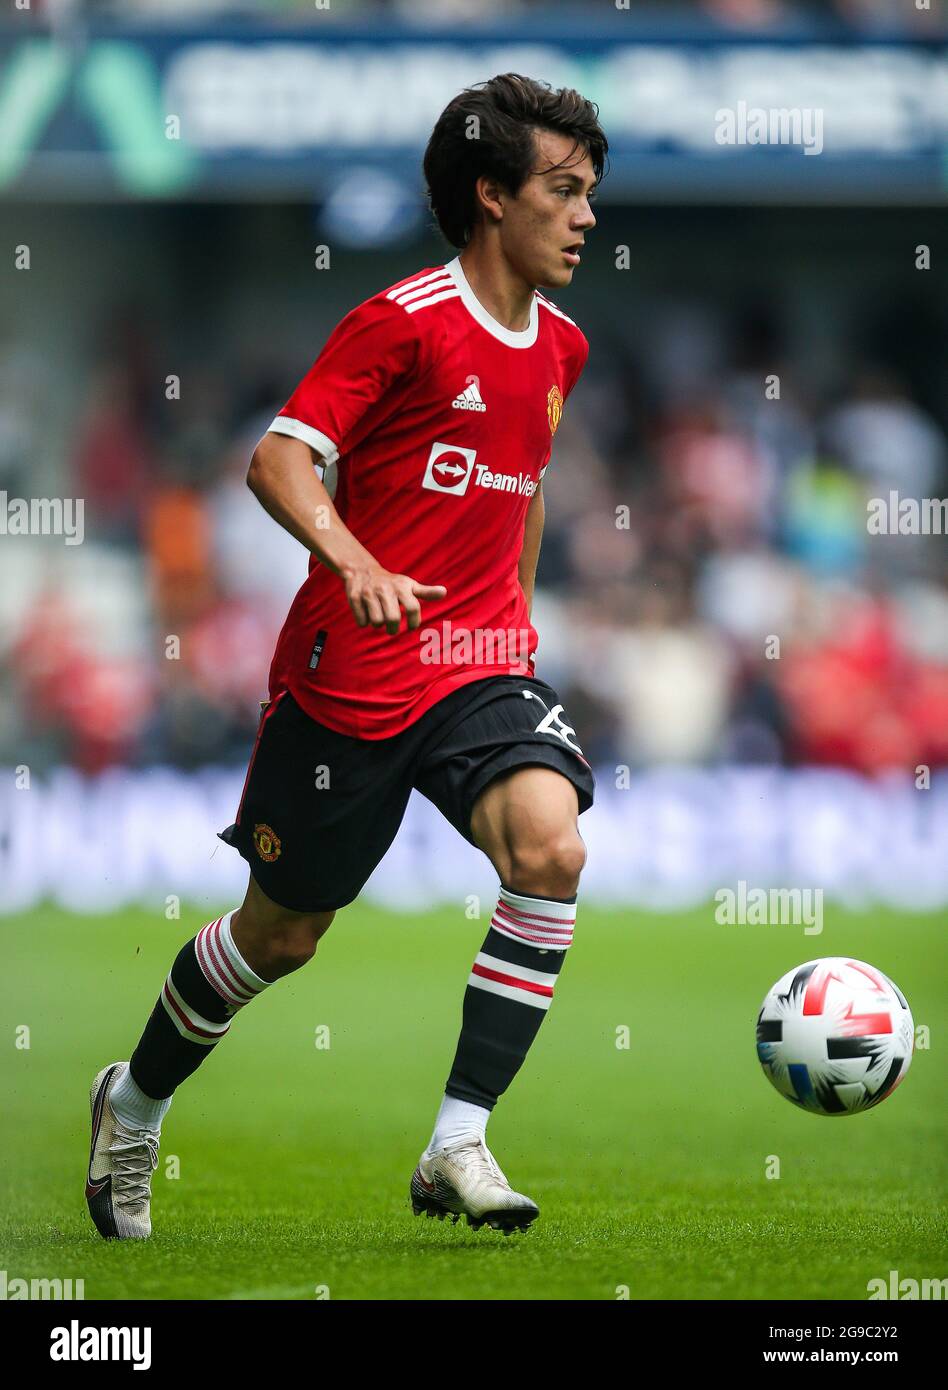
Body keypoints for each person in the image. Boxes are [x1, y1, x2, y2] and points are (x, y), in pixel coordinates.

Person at [86, 73, 606, 1239]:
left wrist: (513, 624)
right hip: (352, 673)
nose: (585, 218)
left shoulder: (564, 345)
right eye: (563, 191)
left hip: (476, 662)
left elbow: (523, 485)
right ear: (490, 195)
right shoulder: (402, 322)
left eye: (590, 193)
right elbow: (278, 461)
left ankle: (457, 1142)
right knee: (284, 933)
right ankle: (133, 1101)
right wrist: (355, 559)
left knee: (552, 849)